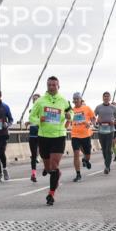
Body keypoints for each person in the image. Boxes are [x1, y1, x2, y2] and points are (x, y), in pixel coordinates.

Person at [34, 76, 71, 205]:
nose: (51, 87)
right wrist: (39, 120)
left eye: (54, 85)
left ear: (58, 86)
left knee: (54, 166)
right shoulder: (40, 101)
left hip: (59, 136)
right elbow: (32, 117)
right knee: (48, 168)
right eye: (49, 85)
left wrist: (69, 116)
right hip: (44, 136)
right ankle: (55, 174)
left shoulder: (64, 101)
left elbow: (70, 112)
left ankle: (51, 194)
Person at [69, 92, 94, 182]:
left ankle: (86, 160)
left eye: (77, 99)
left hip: (86, 135)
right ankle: (78, 174)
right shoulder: (71, 110)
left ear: (81, 99)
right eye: (74, 99)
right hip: (75, 135)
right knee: (76, 154)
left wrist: (90, 124)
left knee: (88, 154)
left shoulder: (87, 108)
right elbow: (68, 121)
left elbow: (93, 118)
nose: (76, 100)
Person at [94, 92, 116, 174]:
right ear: (103, 98)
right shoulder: (98, 107)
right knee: (104, 149)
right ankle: (107, 163)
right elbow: (93, 117)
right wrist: (96, 122)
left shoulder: (113, 107)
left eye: (107, 96)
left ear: (110, 98)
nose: (106, 98)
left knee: (108, 149)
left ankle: (107, 167)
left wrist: (115, 121)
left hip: (110, 131)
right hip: (101, 131)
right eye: (105, 96)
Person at [26, 93, 41, 182]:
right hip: (32, 135)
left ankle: (47, 168)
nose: (35, 100)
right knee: (33, 155)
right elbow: (33, 120)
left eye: (36, 99)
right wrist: (28, 122)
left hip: (42, 134)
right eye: (33, 99)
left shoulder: (43, 109)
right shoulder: (31, 110)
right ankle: (33, 174)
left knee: (44, 153)